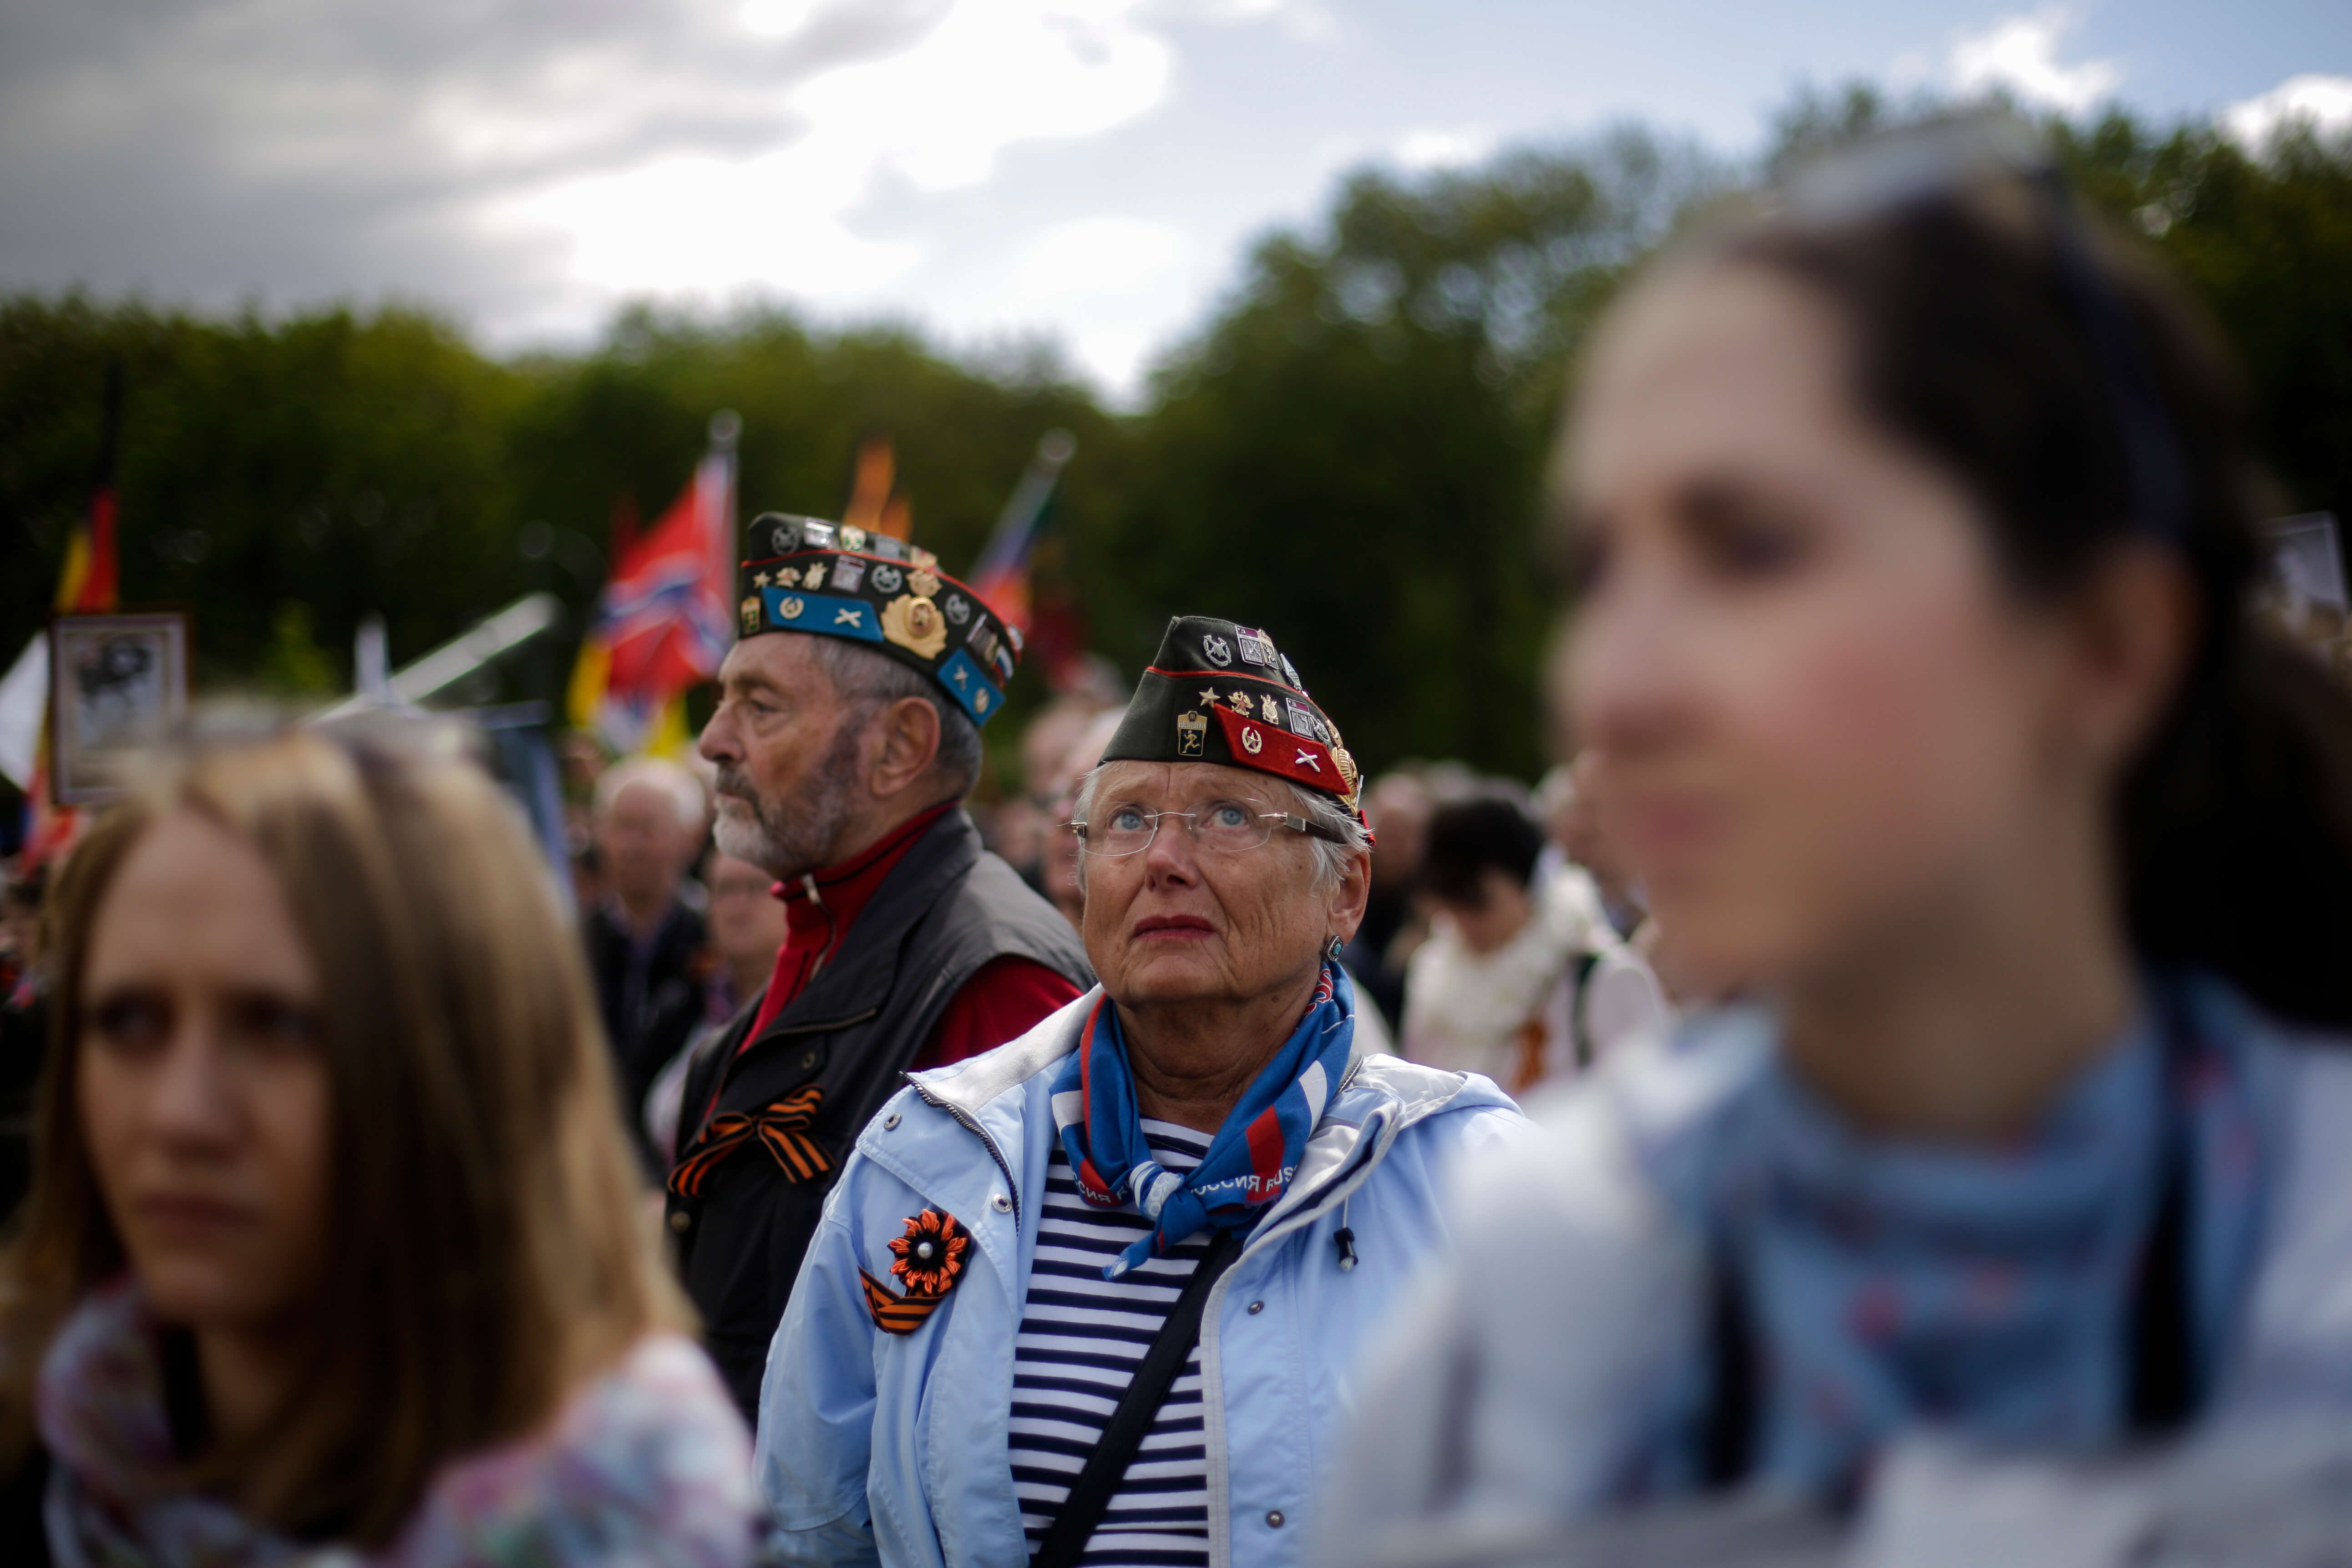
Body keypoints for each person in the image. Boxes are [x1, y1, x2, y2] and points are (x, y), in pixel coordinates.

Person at [1316, 120, 2352, 1557]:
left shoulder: (2314, 1289)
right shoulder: (1530, 1281)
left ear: (2109, 644)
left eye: (1750, 546)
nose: (1612, 680)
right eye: (1594, 569)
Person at [754, 615, 1526, 1568]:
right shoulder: (925, 1159)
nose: (1163, 858)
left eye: (1228, 817)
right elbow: (804, 1528)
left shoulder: (1473, 1181)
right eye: (1124, 821)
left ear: (1349, 889)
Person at [0, 727, 755, 1566]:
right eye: (129, 1021)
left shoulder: (630, 1518)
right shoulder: (55, 1440)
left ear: (457, 1067)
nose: (180, 1113)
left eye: (277, 1026)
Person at [674, 513, 1093, 1420]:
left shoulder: (1000, 982)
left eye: (759, 704)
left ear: (898, 748)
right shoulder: (823, 930)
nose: (713, 741)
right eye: (725, 699)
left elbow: (990, 1383)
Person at [1402, 794, 1667, 1092]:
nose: (1466, 923)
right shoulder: (1434, 980)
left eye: (1478, 901)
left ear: (1525, 882)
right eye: (1453, 904)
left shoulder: (1599, 974)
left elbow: (1651, 1105)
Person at [581, 756, 710, 1159]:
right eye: (621, 827)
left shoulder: (714, 938)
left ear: (690, 838)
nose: (632, 846)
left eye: (648, 829)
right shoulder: (575, 941)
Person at [643, 851, 789, 1167]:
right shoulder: (680, 1007)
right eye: (724, 890)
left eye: (755, 887)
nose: (738, 906)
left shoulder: (813, 1010)